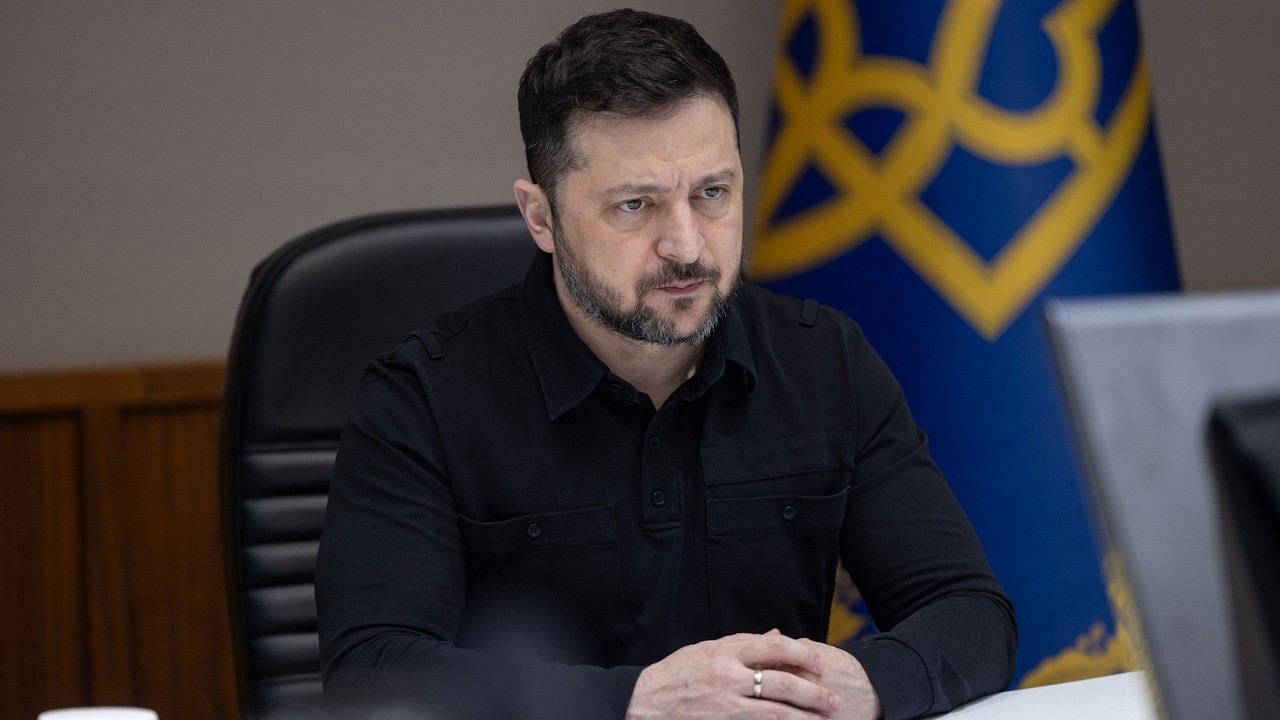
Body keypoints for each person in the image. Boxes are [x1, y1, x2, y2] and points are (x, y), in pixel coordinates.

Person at [315, 9, 1016, 720]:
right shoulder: (423, 398)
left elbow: (971, 614)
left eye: (712, 194)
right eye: (635, 205)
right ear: (541, 218)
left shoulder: (825, 361)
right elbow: (374, 669)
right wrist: (636, 702)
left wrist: (858, 686)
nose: (686, 246)